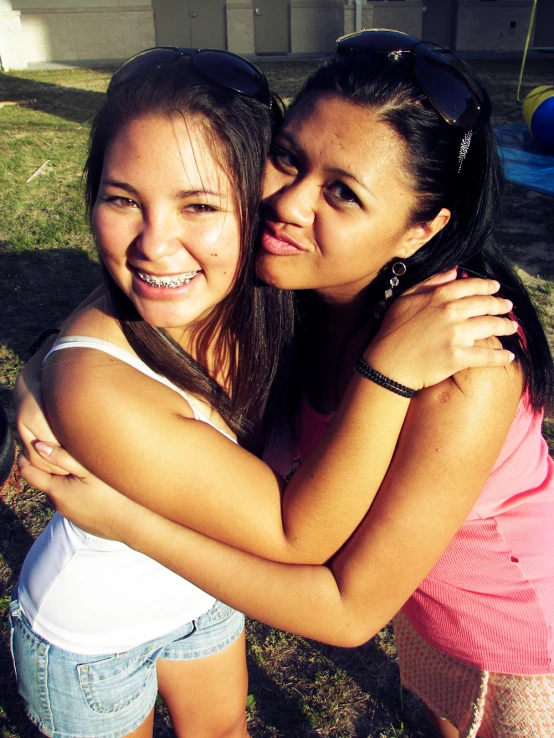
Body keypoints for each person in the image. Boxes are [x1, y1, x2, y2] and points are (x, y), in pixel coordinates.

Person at [15, 31, 549, 738]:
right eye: (289, 159)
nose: (287, 204)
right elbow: (144, 293)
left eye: (343, 193)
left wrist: (124, 520)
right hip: (424, 605)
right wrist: (49, 369)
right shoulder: (296, 281)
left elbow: (347, 609)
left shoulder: (464, 371)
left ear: (422, 230)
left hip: (519, 636)